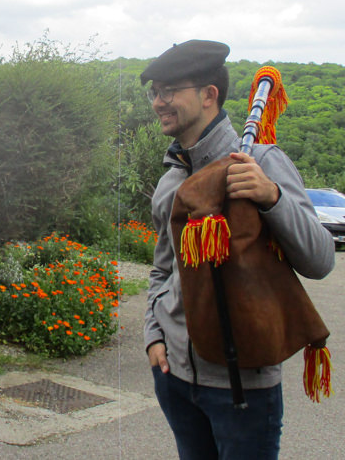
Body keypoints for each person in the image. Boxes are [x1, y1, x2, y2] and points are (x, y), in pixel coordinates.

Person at [142, 39, 335, 459]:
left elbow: (321, 259)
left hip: (242, 387)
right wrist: (153, 336)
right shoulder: (170, 180)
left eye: (169, 90)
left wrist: (271, 198)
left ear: (209, 95)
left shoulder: (262, 163)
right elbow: (162, 271)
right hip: (174, 378)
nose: (158, 102)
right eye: (154, 91)